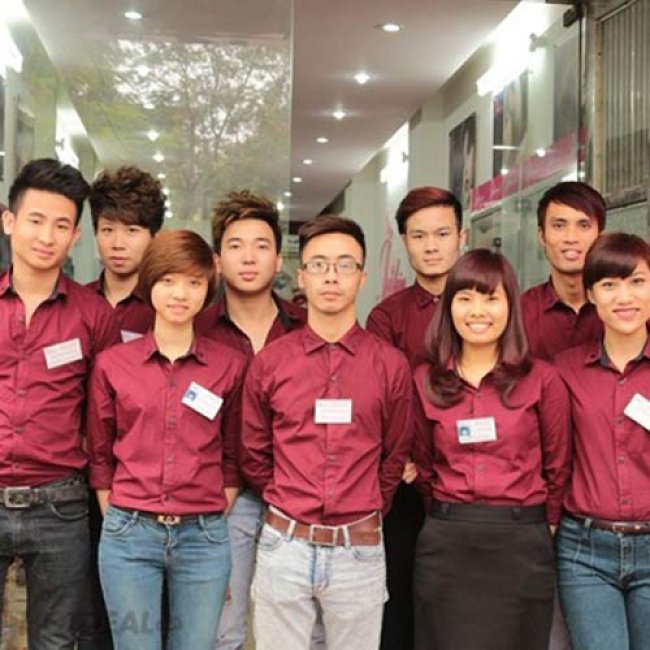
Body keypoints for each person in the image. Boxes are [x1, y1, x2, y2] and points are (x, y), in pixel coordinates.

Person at [241, 214, 413, 650]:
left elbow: (394, 454)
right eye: (318, 265)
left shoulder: (390, 365)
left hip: (359, 547)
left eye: (344, 265)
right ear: (301, 276)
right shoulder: (271, 362)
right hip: (285, 544)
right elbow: (254, 451)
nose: (331, 276)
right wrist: (286, 496)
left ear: (362, 277)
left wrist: (367, 503)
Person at [87, 230, 246, 650]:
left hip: (203, 537)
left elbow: (234, 452)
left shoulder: (230, 365)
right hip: (129, 533)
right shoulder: (112, 365)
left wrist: (214, 506)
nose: (180, 294)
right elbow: (100, 452)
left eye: (194, 282)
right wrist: (118, 512)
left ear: (208, 288)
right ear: (150, 282)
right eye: (168, 280)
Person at [412, 249, 571, 650]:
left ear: (510, 305)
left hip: (521, 541)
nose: (478, 311)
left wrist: (545, 523)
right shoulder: (425, 381)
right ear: (449, 307)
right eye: (465, 298)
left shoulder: (542, 380)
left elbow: (558, 464)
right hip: (447, 541)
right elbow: (424, 467)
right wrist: (449, 514)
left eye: (491, 298)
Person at [0, 158, 118, 648]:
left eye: (62, 225)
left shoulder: (95, 316)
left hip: (61, 506)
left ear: (76, 237)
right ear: (9, 221)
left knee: (56, 640)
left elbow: (106, 415)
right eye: (36, 220)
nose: (47, 236)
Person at [195, 190, 305, 650]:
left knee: (297, 631)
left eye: (261, 246)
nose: (248, 257)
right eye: (235, 246)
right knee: (223, 631)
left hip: (297, 499)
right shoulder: (197, 329)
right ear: (218, 260)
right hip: (224, 499)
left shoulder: (305, 327)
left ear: (278, 260)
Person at [366, 186, 465, 650]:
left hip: (473, 480)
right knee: (400, 598)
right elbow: (383, 400)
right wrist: (400, 457)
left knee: (462, 605)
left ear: (462, 237)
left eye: (442, 234)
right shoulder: (387, 317)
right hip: (407, 481)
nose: (431, 246)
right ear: (404, 241)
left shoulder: (488, 306)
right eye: (418, 236)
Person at [556, 233, 650, 650]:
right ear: (592, 294)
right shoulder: (564, 371)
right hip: (585, 551)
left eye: (637, 282)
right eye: (609, 285)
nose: (624, 297)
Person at [521, 181, 606, 361]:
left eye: (584, 225)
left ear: (600, 236)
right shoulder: (521, 312)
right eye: (559, 226)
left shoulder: (623, 307)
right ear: (542, 236)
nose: (571, 238)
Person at [88, 165, 165, 340]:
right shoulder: (77, 303)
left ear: (154, 237)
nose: (118, 244)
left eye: (131, 231)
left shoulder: (165, 306)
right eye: (108, 230)